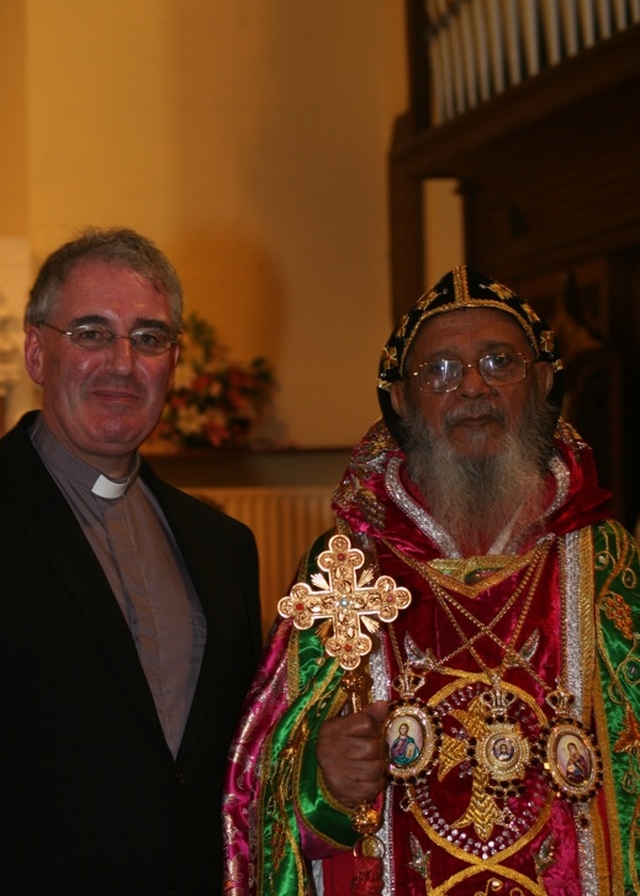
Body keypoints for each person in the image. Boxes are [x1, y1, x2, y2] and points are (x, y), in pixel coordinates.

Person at [223, 267, 640, 895]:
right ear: (401, 401)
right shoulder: (348, 568)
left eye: (501, 362)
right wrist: (321, 782)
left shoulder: (605, 561)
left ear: (545, 380)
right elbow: (258, 785)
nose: (473, 386)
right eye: (439, 371)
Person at [0, 228, 262, 895]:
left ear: (172, 361)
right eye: (91, 333)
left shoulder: (223, 547)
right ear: (36, 350)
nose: (122, 362)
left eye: (148, 338)